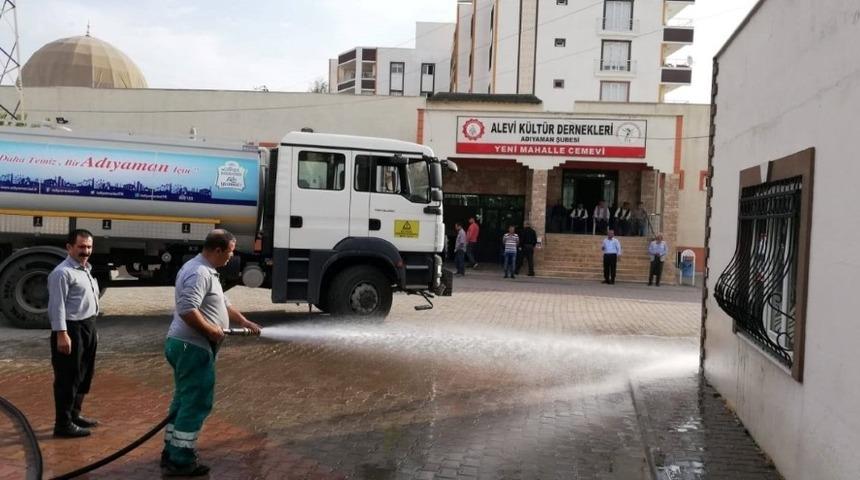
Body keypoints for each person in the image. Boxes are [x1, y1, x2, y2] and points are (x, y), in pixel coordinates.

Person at [162, 229, 262, 477]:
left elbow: (223, 303)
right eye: (229, 251)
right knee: (197, 402)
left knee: (184, 399)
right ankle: (181, 459)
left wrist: (244, 321)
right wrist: (211, 331)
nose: (231, 256)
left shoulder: (206, 270)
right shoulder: (198, 272)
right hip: (191, 347)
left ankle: (171, 450)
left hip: (186, 345)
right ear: (217, 250)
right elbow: (187, 309)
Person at [48, 229, 101, 438]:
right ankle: (62, 424)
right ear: (69, 247)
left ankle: (74, 415)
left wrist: (93, 331)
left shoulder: (86, 269)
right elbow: (56, 306)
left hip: (87, 327)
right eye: (81, 247)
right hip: (70, 329)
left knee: (84, 374)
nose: (85, 251)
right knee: (67, 378)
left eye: (88, 247)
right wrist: (62, 333)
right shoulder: (62, 273)